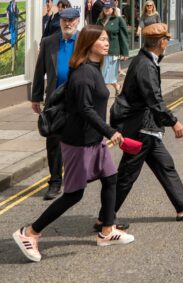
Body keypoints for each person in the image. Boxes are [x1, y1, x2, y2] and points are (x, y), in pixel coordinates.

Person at [13, 25, 132, 261]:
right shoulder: (83, 73)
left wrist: (103, 134)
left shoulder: (94, 69)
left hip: (94, 140)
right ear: (89, 43)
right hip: (79, 142)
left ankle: (107, 231)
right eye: (103, 40)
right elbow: (85, 109)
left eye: (108, 39)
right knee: (74, 195)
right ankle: (30, 232)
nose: (107, 43)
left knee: (111, 179)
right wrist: (110, 132)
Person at [111, 23, 183, 224]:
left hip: (146, 128)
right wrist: (173, 122)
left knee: (166, 165)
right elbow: (154, 99)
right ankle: (105, 218)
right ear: (161, 42)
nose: (168, 42)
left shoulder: (147, 59)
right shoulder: (145, 65)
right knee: (127, 176)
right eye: (166, 39)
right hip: (140, 128)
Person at [31, 7, 81, 200]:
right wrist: (36, 97)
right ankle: (54, 182)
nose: (67, 23)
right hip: (54, 101)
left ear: (77, 21)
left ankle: (75, 179)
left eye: (71, 20)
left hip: (77, 100)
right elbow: (39, 71)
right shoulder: (49, 42)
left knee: (77, 142)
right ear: (60, 21)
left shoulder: (84, 41)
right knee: (53, 143)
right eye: (64, 20)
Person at [99, 1, 129, 96]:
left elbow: (123, 37)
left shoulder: (118, 20)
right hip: (100, 50)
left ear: (113, 9)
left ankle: (102, 93)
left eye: (108, 8)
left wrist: (125, 52)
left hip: (112, 51)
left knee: (105, 73)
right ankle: (117, 86)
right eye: (105, 8)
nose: (106, 9)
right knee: (106, 73)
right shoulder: (100, 20)